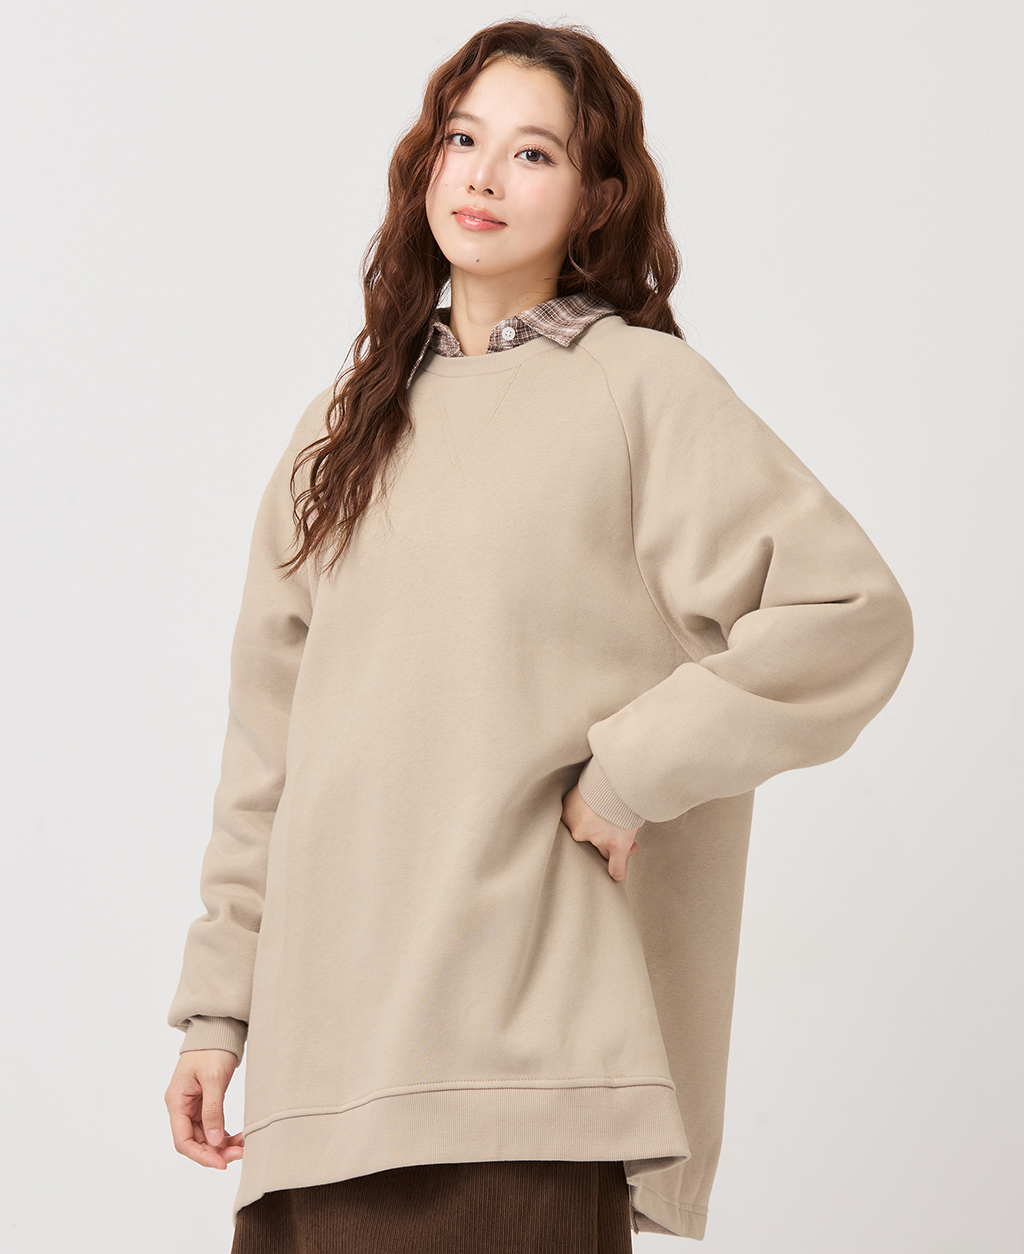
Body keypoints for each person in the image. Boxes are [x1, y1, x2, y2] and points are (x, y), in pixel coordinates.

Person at [164, 18, 914, 1251]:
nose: (482, 176)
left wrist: (632, 771)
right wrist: (218, 1012)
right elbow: (268, 754)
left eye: (532, 153)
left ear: (595, 197)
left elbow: (848, 614)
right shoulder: (339, 430)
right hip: (320, 1075)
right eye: (462, 139)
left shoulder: (639, 390)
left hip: (521, 1070)